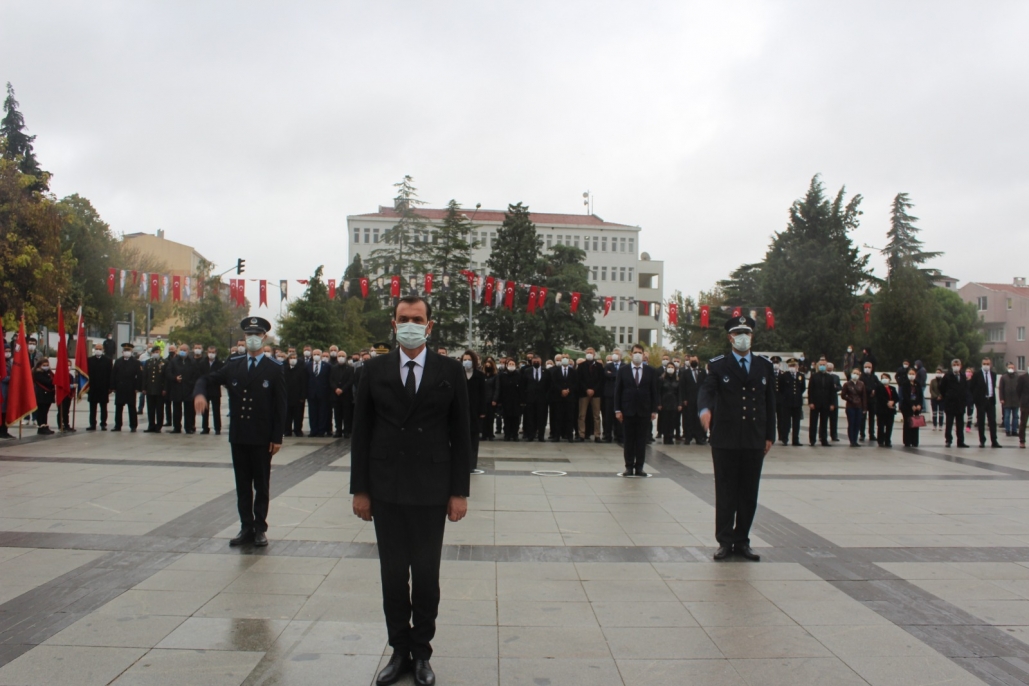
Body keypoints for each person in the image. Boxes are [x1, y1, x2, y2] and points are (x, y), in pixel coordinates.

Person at [350, 295, 470, 686]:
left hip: (432, 490)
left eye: (418, 319)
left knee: (426, 574)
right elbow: (361, 432)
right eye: (404, 318)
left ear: (429, 326)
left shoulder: (450, 370)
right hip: (386, 488)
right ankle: (399, 650)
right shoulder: (374, 369)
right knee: (392, 574)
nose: (410, 325)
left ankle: (422, 653)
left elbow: (462, 434)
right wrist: (360, 490)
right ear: (393, 323)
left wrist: (459, 492)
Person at [194, 317, 287, 548]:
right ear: (244, 338)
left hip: (262, 436)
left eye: (257, 335)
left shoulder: (274, 368)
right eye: (248, 335)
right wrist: (200, 393)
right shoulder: (233, 364)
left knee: (261, 485)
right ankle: (246, 526)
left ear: (264, 338)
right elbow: (206, 379)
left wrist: (277, 437)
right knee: (243, 484)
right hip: (239, 435)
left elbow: (280, 405)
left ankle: (260, 528)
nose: (252, 339)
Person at [697, 316, 775, 561]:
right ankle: (724, 541)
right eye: (738, 334)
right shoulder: (718, 365)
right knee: (726, 491)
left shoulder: (764, 366)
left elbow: (770, 402)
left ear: (752, 336)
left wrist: (770, 435)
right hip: (725, 439)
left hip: (753, 438)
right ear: (730, 338)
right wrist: (704, 409)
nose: (743, 338)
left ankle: (742, 541)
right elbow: (707, 390)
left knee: (749, 492)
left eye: (747, 333)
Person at [614, 343, 660, 476]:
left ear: (644, 355)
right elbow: (618, 391)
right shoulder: (623, 370)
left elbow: (654, 391)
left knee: (641, 440)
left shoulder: (650, 371)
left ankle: (639, 467)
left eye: (640, 353)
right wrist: (617, 410)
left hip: (644, 410)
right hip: (627, 410)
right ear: (631, 354)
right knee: (628, 440)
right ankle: (629, 466)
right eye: (635, 352)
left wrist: (654, 410)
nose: (638, 355)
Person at [462, 350, 486, 471]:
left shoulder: (479, 375)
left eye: (469, 360)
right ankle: (462, 463)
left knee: (473, 438)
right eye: (465, 360)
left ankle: (472, 464)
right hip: (461, 410)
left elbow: (483, 394)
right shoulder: (459, 374)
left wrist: (482, 411)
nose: (467, 362)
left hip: (475, 411)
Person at [969, 357, 1001, 448]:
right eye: (984, 364)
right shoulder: (977, 374)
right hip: (981, 401)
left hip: (990, 400)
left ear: (990, 365)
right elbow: (971, 387)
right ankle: (982, 440)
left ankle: (994, 441)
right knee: (981, 421)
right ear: (981, 364)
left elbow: (992, 386)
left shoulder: (993, 374)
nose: (986, 365)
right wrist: (975, 400)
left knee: (992, 422)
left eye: (988, 364)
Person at [111, 343, 142, 432]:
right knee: (118, 407)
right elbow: (113, 374)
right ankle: (118, 425)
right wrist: (113, 387)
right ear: (122, 351)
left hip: (131, 388)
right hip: (120, 387)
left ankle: (133, 426)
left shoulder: (136, 362)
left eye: (128, 350)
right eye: (125, 350)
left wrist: (137, 387)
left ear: (131, 351)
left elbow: (139, 376)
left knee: (131, 407)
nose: (126, 352)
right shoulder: (118, 361)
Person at [939, 359, 970, 448]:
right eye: (954, 365)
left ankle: (960, 441)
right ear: (952, 366)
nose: (956, 366)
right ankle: (948, 440)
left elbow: (965, 388)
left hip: (960, 404)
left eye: (957, 364)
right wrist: (947, 396)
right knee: (949, 423)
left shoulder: (963, 376)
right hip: (950, 403)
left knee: (960, 424)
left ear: (960, 366)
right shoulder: (947, 376)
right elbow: (941, 387)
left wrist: (964, 400)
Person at [576, 347, 604, 443]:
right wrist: (586, 389)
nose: (589, 354)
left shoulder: (599, 366)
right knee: (582, 415)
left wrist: (594, 389)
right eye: (587, 352)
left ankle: (597, 435)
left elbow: (601, 380)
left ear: (594, 354)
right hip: (584, 393)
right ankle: (581, 434)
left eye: (591, 352)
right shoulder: (581, 366)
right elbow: (579, 380)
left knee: (596, 416)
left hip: (596, 394)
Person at [776, 358, 805, 446]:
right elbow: (781, 388)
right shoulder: (784, 376)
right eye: (791, 365)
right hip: (786, 403)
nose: (792, 367)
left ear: (797, 366)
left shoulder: (801, 376)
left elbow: (802, 388)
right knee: (786, 422)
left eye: (794, 365)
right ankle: (785, 438)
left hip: (797, 403)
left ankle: (795, 440)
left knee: (796, 422)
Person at [548, 354, 576, 443]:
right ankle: (557, 436)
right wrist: (561, 390)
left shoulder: (573, 371)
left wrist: (568, 390)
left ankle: (569, 436)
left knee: (570, 417)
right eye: (563, 358)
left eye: (566, 358)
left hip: (570, 398)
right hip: (558, 397)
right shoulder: (556, 371)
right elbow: (553, 383)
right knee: (558, 417)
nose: (565, 359)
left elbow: (575, 383)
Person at [807, 358, 836, 447]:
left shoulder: (830, 377)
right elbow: (810, 390)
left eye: (824, 365)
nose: (822, 366)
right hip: (815, 403)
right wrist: (810, 402)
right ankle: (812, 440)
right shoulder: (814, 376)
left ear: (826, 366)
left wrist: (832, 403)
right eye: (821, 365)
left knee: (824, 422)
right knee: (813, 422)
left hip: (826, 403)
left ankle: (824, 439)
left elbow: (832, 392)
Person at [679, 357, 707, 445]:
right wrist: (684, 399)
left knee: (699, 419)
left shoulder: (702, 372)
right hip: (689, 400)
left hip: (700, 399)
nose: (693, 362)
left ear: (698, 361)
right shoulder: (685, 372)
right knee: (688, 419)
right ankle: (688, 437)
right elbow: (682, 387)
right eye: (692, 360)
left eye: (695, 360)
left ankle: (699, 437)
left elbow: (706, 385)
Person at [521, 354, 548, 442]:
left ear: (541, 362)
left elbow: (549, 385)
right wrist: (524, 398)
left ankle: (541, 436)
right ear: (532, 362)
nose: (536, 362)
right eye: (534, 361)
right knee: (530, 418)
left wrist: (546, 397)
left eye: (537, 361)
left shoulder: (546, 371)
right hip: (530, 399)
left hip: (542, 399)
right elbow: (524, 385)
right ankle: (531, 435)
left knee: (542, 418)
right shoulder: (527, 371)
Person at [86, 343, 112, 431]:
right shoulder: (89, 360)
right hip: (92, 388)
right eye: (96, 348)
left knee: (103, 408)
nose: (98, 350)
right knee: (92, 408)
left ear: (103, 350)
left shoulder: (108, 360)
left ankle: (103, 424)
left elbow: (110, 374)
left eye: (100, 349)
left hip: (103, 388)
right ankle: (92, 424)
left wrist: (110, 387)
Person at [199, 346, 224, 435]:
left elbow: (221, 376)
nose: (211, 354)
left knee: (216, 410)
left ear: (216, 353)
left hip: (215, 389)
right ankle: (205, 428)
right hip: (205, 389)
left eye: (213, 352)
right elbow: (200, 375)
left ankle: (217, 428)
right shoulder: (202, 363)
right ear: (207, 353)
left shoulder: (220, 364)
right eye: (210, 352)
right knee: (204, 410)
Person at [306, 348, 331, 437]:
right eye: (314, 354)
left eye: (318, 354)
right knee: (312, 413)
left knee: (322, 412)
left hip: (323, 393)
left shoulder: (327, 366)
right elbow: (306, 379)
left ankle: (321, 430)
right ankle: (313, 430)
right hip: (311, 393)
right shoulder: (308, 365)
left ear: (321, 355)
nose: (316, 356)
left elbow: (329, 379)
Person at [330, 350, 355, 438]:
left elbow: (351, 380)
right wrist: (336, 388)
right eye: (339, 356)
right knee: (337, 414)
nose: (341, 358)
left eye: (343, 356)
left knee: (347, 414)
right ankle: (338, 430)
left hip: (346, 394)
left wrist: (342, 389)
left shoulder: (350, 368)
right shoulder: (333, 368)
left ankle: (346, 431)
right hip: (336, 394)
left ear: (346, 357)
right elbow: (331, 380)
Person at [498, 358, 525, 441]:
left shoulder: (519, 375)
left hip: (516, 401)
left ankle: (515, 434)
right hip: (506, 400)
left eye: (513, 364)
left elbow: (522, 389)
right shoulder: (502, 375)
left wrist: (522, 400)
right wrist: (499, 400)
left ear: (515, 365)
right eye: (510, 364)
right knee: (506, 419)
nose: (511, 366)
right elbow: (500, 388)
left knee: (516, 419)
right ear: (506, 365)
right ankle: (507, 434)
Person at [841, 368, 867, 447]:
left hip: (859, 406)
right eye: (854, 373)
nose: (855, 375)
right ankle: (851, 440)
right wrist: (850, 399)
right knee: (851, 423)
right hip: (850, 406)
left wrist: (864, 408)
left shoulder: (861, 384)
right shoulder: (847, 384)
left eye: (857, 374)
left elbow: (864, 396)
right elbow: (843, 395)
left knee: (857, 423)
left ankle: (855, 440)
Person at [897, 368, 924, 447]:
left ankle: (914, 441)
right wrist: (912, 405)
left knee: (915, 424)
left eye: (913, 374)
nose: (911, 375)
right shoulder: (905, 384)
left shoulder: (917, 384)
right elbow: (905, 396)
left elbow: (920, 395)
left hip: (916, 407)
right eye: (910, 374)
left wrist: (919, 405)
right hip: (907, 407)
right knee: (907, 424)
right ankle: (907, 441)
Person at [602, 349, 624, 444]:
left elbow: (623, 377)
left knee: (619, 415)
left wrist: (613, 374)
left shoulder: (624, 366)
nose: (615, 355)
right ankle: (607, 436)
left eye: (617, 354)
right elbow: (607, 375)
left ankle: (619, 436)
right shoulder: (608, 365)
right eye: (614, 353)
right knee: (608, 416)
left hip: (621, 394)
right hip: (609, 394)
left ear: (621, 356)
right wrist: (617, 374)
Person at [143, 346, 166, 433]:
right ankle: (151, 425)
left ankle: (158, 426)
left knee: (159, 409)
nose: (156, 353)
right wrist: (144, 388)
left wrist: (165, 389)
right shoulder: (148, 362)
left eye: (157, 352)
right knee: (150, 409)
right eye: (154, 352)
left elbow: (165, 377)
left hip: (159, 389)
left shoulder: (164, 362)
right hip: (150, 389)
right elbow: (145, 376)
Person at [182, 343, 205, 433]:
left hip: (198, 386)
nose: (197, 349)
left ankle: (200, 426)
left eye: (199, 348)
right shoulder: (190, 360)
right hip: (188, 387)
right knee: (189, 409)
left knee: (197, 408)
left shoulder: (203, 360)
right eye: (196, 348)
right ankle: (190, 425)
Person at [284, 351, 307, 437]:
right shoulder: (284, 369)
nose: (293, 360)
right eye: (291, 358)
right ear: (288, 360)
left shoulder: (301, 370)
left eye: (294, 358)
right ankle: (287, 430)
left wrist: (303, 396)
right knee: (287, 415)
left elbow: (304, 383)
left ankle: (298, 430)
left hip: (298, 397)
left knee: (298, 415)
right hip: (287, 396)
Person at [658, 362, 680, 445]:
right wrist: (659, 403)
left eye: (672, 367)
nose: (670, 369)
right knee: (665, 421)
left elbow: (679, 393)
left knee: (672, 421)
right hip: (664, 403)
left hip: (674, 403)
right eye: (669, 367)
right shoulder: (662, 379)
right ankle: (666, 437)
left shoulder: (677, 380)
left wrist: (679, 404)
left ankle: (671, 436)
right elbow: (659, 392)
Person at [32, 358, 56, 435]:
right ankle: (41, 427)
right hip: (41, 395)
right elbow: (47, 382)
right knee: (41, 412)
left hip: (48, 395)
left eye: (47, 365)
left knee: (45, 412)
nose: (46, 367)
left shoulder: (49, 372)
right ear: (39, 366)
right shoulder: (37, 373)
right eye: (44, 365)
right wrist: (56, 380)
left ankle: (45, 426)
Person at [876, 373, 899, 448]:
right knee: (881, 426)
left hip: (891, 410)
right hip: (882, 410)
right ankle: (881, 440)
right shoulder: (879, 388)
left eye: (886, 378)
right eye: (883, 378)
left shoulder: (892, 388)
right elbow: (879, 397)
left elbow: (897, 397)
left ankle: (887, 440)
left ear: (889, 379)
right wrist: (887, 402)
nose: (884, 379)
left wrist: (893, 402)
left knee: (889, 426)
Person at [999, 362, 1020, 437]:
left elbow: (1020, 388)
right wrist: (1001, 398)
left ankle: (1014, 431)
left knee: (1015, 416)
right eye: (1009, 367)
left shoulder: (1018, 377)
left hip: (1016, 400)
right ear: (1007, 368)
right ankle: (1007, 430)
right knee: (1007, 416)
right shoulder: (1003, 377)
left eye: (1012, 367)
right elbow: (1001, 389)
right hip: (1006, 400)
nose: (1011, 369)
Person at [481, 357, 498, 441]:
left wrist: (494, 399)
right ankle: (484, 434)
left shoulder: (495, 376)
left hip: (491, 400)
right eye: (486, 365)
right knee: (483, 418)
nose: (488, 366)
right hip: (483, 400)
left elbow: (497, 388)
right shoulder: (481, 376)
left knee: (490, 418)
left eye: (489, 365)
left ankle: (490, 434)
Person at [826, 362, 842, 441]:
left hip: (834, 400)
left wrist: (836, 387)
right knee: (824, 419)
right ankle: (822, 435)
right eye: (828, 366)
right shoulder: (824, 376)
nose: (829, 368)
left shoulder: (836, 377)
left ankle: (834, 435)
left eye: (830, 367)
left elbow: (840, 387)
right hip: (825, 400)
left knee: (834, 420)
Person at [0, 343, 12, 439]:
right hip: (2, 390)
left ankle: (5, 430)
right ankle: (2, 431)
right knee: (2, 412)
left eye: (9, 351)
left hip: (8, 390)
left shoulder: (9, 362)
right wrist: (14, 378)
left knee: (6, 412)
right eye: (5, 351)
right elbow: (3, 378)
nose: (7, 353)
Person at [1017, 370, 1029, 449]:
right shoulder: (1022, 377)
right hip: (1025, 403)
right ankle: (1022, 440)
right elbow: (1018, 390)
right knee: (1023, 423)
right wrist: (1022, 400)